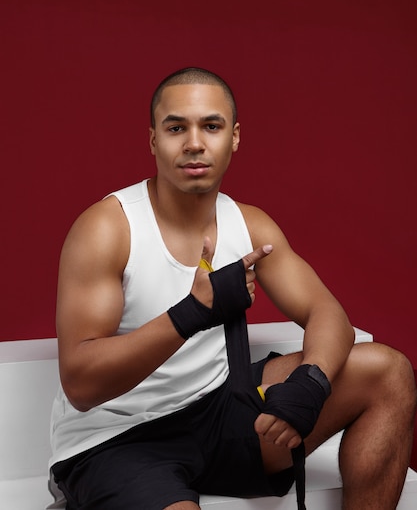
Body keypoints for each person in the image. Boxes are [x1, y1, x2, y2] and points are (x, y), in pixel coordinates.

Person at [49, 66, 416, 510]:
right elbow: (81, 385)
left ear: (234, 137)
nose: (194, 143)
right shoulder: (109, 227)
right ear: (153, 140)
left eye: (211, 125)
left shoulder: (249, 223)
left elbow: (326, 312)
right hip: (117, 437)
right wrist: (192, 312)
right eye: (175, 127)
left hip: (220, 412)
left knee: (389, 373)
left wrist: (312, 382)